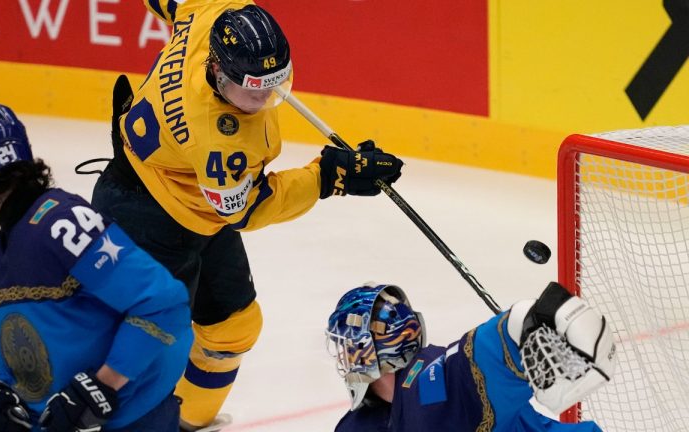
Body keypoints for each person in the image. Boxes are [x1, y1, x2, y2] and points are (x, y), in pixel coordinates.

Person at [85, 1, 404, 429]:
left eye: (275, 85)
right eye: (254, 89)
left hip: (189, 201)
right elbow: (249, 210)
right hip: (146, 215)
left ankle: (186, 423)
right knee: (152, 345)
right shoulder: (220, 141)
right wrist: (329, 177)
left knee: (233, 328)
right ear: (218, 72)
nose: (265, 99)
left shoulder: (214, 10)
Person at [0, 104, 194, 431]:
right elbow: (24, 352)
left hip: (136, 418)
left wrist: (103, 387)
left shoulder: (60, 221)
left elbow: (164, 305)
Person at [325, 282, 616, 431]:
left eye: (346, 346)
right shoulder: (363, 423)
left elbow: (472, 363)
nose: (343, 357)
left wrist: (522, 325)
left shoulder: (427, 392)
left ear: (364, 349)